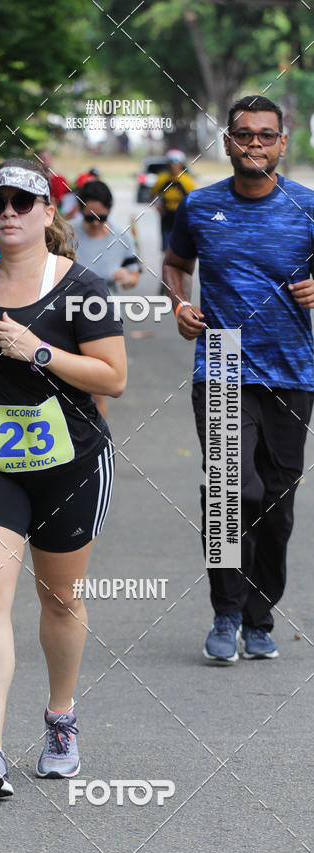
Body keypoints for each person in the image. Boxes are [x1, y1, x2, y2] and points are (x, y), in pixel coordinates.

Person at [0, 158, 127, 798]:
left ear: (47, 212)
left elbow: (114, 379)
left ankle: (61, 717)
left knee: (61, 599)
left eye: (21, 202)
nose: (7, 213)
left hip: (69, 463)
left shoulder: (84, 286)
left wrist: (39, 351)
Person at [163, 95, 314, 663]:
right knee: (232, 492)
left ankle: (260, 617)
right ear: (226, 142)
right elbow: (177, 266)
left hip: (294, 367)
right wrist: (179, 306)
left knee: (277, 501)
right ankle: (226, 613)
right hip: (222, 359)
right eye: (243, 134)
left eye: (265, 135)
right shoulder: (200, 208)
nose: (254, 143)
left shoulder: (308, 206)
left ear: (282, 143)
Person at [72, 179, 141, 418]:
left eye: (100, 218)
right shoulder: (66, 232)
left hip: (102, 318)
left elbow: (134, 274)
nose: (93, 224)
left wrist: (127, 277)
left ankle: (97, 441)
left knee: (97, 388)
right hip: (66, 314)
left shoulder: (121, 235)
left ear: (109, 211)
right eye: (88, 217)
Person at [151, 148, 196, 250]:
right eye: (171, 162)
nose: (173, 165)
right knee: (166, 248)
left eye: (176, 162)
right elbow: (152, 195)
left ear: (181, 163)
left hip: (181, 216)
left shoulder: (188, 181)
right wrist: (158, 207)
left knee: (182, 247)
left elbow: (194, 201)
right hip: (166, 216)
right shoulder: (162, 179)